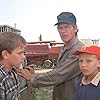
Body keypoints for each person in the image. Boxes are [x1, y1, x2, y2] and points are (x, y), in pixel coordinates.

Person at [20, 12, 84, 100]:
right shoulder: (64, 48)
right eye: (60, 28)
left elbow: (59, 74)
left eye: (67, 27)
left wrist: (32, 77)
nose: (63, 31)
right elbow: (58, 70)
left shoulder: (79, 50)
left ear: (75, 28)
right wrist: (34, 73)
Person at [0, 32, 26, 100]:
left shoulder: (13, 72)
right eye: (20, 53)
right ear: (5, 54)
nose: (24, 57)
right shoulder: (1, 79)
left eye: (23, 52)